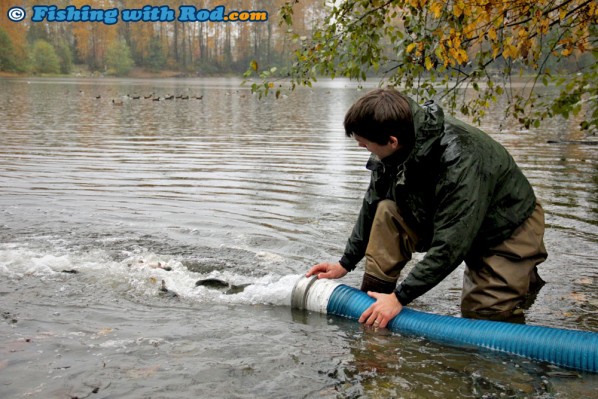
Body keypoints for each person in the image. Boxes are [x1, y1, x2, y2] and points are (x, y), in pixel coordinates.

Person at [306, 88, 548, 328]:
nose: (362, 147)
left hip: (506, 228)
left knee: (484, 316)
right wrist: (345, 263)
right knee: (387, 211)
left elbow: (451, 243)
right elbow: (372, 203)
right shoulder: (393, 143)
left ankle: (519, 281)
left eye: (364, 144)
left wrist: (400, 298)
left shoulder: (460, 157)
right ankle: (374, 302)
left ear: (392, 142)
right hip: (448, 215)